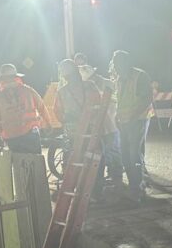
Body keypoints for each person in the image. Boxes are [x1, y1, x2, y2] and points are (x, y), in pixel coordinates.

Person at [55, 59, 104, 200]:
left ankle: (73, 193)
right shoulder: (90, 86)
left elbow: (58, 113)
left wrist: (67, 119)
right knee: (95, 162)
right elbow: (99, 105)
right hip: (91, 132)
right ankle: (95, 193)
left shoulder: (62, 92)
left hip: (72, 134)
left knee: (72, 163)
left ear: (64, 76)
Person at [110, 50, 154, 203]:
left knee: (134, 154)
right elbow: (121, 101)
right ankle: (134, 185)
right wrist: (117, 116)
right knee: (125, 156)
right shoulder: (119, 79)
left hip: (138, 121)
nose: (116, 66)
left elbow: (146, 98)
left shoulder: (139, 76)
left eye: (118, 62)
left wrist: (133, 117)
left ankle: (137, 189)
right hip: (124, 122)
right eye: (115, 63)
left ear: (127, 62)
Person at [74, 52, 122, 186]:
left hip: (110, 124)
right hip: (105, 125)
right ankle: (114, 176)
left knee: (113, 151)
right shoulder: (103, 83)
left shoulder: (102, 85)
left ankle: (116, 177)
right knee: (109, 152)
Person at [0, 63, 46, 154]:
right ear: (16, 77)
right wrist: (47, 124)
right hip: (31, 134)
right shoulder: (28, 91)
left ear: (2, 79)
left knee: (19, 164)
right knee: (35, 162)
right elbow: (41, 106)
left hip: (12, 137)